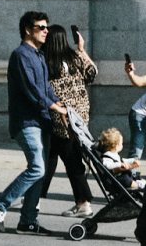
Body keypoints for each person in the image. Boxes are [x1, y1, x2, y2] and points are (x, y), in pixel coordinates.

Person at [0, 11, 65, 234]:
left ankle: (28, 220)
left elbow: (47, 88)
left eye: (46, 27)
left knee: (41, 171)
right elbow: (32, 89)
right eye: (41, 27)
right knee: (37, 168)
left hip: (43, 121)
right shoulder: (20, 55)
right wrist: (53, 106)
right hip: (27, 121)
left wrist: (60, 103)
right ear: (28, 30)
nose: (46, 31)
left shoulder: (39, 56)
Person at [36, 24, 99, 218]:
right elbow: (93, 72)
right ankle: (36, 197)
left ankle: (83, 203)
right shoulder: (74, 59)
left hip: (60, 118)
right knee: (50, 157)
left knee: (70, 161)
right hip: (78, 118)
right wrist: (81, 49)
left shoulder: (45, 62)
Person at [96, 127, 143, 193]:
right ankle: (138, 184)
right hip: (115, 181)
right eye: (121, 144)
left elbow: (122, 160)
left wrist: (132, 160)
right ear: (116, 146)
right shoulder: (106, 156)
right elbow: (107, 165)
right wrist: (120, 164)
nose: (122, 145)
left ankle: (137, 182)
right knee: (126, 180)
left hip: (120, 178)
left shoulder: (114, 154)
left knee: (131, 176)